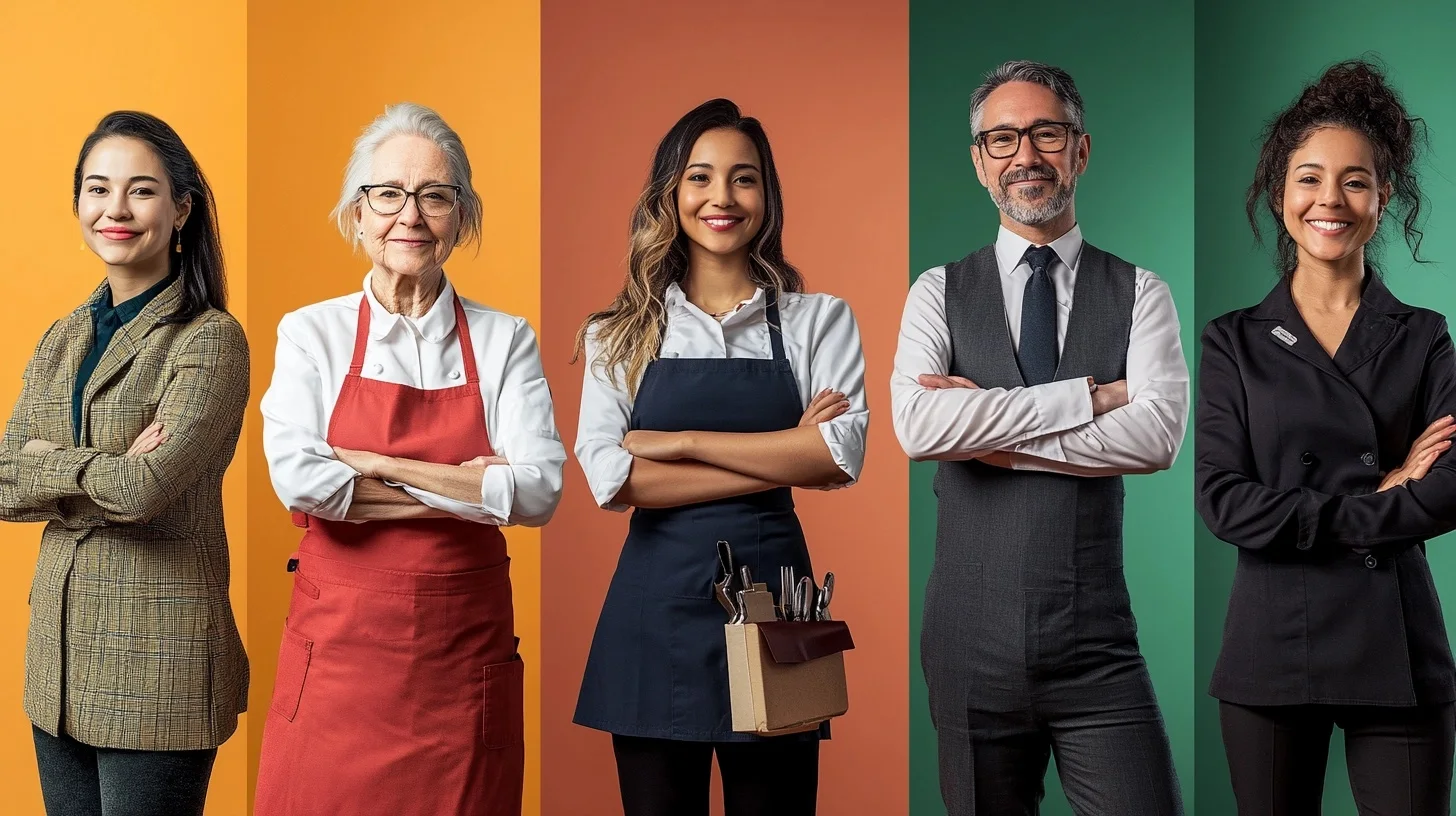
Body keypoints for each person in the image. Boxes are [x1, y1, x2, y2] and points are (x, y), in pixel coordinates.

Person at [891, 60, 1188, 814]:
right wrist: (1088, 397)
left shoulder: (1142, 291)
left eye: (1044, 133)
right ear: (979, 161)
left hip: (1097, 645)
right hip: (965, 640)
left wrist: (985, 433)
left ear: (1079, 150)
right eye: (1001, 138)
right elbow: (920, 424)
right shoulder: (936, 292)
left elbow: (1155, 437)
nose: (1023, 154)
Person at [254, 103, 566, 816]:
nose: (411, 216)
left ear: (461, 216)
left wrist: (364, 464)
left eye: (435, 195)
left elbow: (540, 493)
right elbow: (299, 479)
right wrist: (475, 486)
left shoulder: (504, 340)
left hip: (462, 673)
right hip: (338, 667)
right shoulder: (311, 334)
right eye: (388, 194)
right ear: (358, 215)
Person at [572, 98, 869, 816]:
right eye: (700, 178)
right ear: (671, 194)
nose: (722, 198)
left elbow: (837, 455)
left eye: (744, 179)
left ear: (767, 197)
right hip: (653, 615)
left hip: (775, 609)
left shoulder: (817, 319)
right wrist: (781, 451)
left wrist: (680, 442)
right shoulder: (618, 333)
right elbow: (612, 476)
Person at [1196, 59, 1456, 814]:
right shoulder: (1233, 342)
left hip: (1398, 648)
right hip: (1272, 648)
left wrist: (1313, 511)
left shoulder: (1425, 337)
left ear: (1384, 198)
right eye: (1309, 178)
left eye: (1354, 180)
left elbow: (1447, 490)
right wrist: (1380, 492)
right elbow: (1223, 502)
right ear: (1281, 194)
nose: (1329, 200)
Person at [0, 111, 247, 816]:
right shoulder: (63, 336)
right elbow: (1, 478)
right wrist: (97, 466)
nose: (114, 210)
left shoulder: (209, 341)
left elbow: (145, 491)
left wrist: (50, 463)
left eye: (140, 191)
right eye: (96, 189)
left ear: (181, 209)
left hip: (158, 663)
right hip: (57, 660)